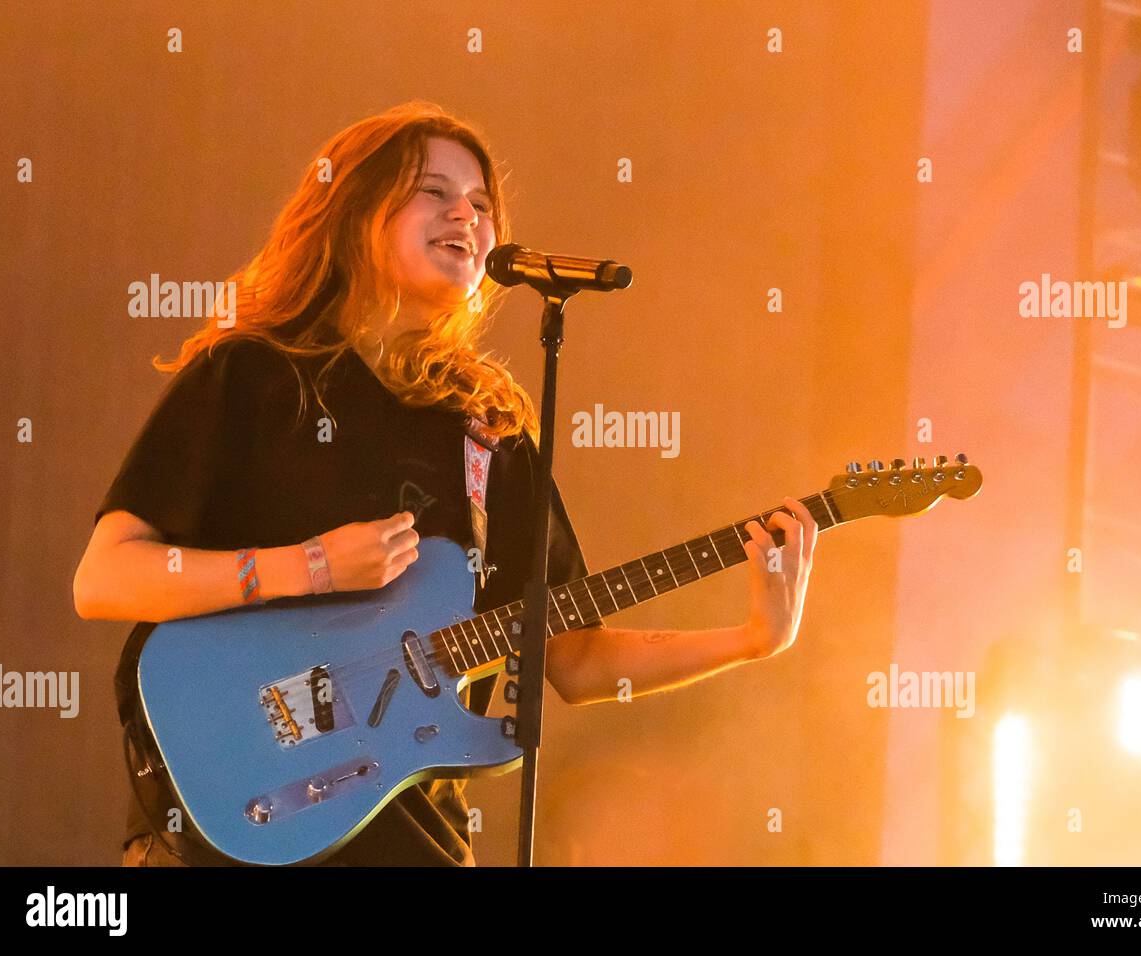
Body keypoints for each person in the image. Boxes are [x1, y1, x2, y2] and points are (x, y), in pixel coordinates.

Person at [73, 100, 818, 867]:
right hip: (224, 825)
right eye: (435, 191)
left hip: (416, 839)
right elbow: (106, 577)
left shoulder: (488, 428)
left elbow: (573, 658)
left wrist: (751, 639)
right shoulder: (255, 375)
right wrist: (309, 567)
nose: (467, 212)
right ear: (356, 212)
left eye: (483, 203)